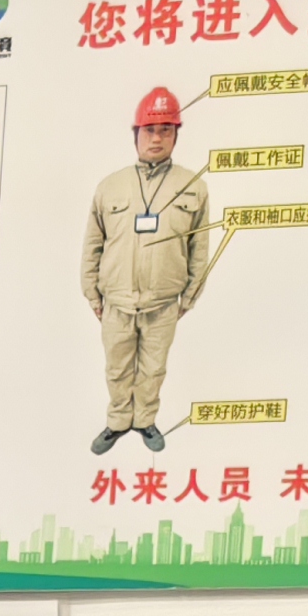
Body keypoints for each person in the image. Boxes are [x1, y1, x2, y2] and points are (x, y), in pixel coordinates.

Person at [82, 84, 214, 454]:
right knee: (117, 368)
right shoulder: (110, 187)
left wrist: (189, 297)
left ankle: (144, 421)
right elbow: (92, 244)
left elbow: (199, 248)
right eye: (150, 130)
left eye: (165, 130)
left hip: (163, 303)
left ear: (175, 135)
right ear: (136, 134)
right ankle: (117, 421)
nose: (157, 139)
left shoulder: (193, 186)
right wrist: (93, 294)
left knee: (154, 368)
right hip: (116, 302)